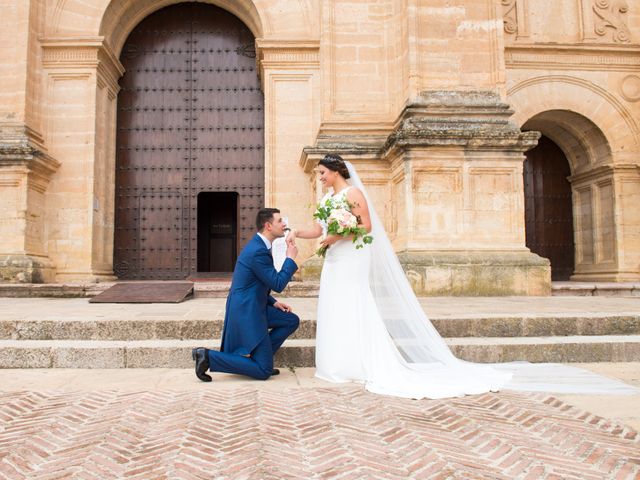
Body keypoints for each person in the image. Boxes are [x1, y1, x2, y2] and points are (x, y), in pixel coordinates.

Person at [288, 154, 512, 399]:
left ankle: (360, 363)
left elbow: (366, 226)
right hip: (334, 259)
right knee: (335, 305)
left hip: (352, 257)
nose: (320, 178)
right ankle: (337, 365)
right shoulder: (326, 200)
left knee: (354, 302)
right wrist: (297, 232)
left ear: (335, 172)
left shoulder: (352, 194)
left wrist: (338, 235)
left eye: (322, 173)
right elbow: (318, 230)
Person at [192, 208, 299, 382]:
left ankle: (259, 361)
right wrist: (290, 259)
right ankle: (208, 356)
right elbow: (278, 283)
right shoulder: (257, 250)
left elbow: (254, 282)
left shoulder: (261, 245)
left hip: (254, 304)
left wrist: (272, 302)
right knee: (264, 371)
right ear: (268, 226)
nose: (284, 224)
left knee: (290, 320)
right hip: (246, 311)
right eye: (280, 221)